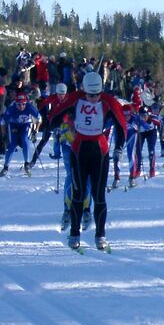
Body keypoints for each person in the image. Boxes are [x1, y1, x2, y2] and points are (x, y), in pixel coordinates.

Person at [45, 71, 127, 251]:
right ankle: (74, 233)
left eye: (96, 94)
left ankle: (100, 235)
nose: (93, 98)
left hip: (100, 151)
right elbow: (55, 115)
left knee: (99, 195)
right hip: (79, 150)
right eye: (90, 95)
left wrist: (119, 148)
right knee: (78, 194)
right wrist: (56, 126)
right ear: (84, 90)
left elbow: (121, 124)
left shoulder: (108, 101)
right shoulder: (75, 98)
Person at [0, 92, 40, 177]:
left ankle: (27, 164)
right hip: (13, 125)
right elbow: (2, 122)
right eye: (19, 104)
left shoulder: (29, 107)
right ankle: (5, 167)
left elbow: (39, 119)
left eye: (23, 104)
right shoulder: (11, 108)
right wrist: (3, 134)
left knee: (25, 140)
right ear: (16, 103)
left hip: (26, 125)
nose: (21, 106)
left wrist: (35, 131)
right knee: (12, 144)